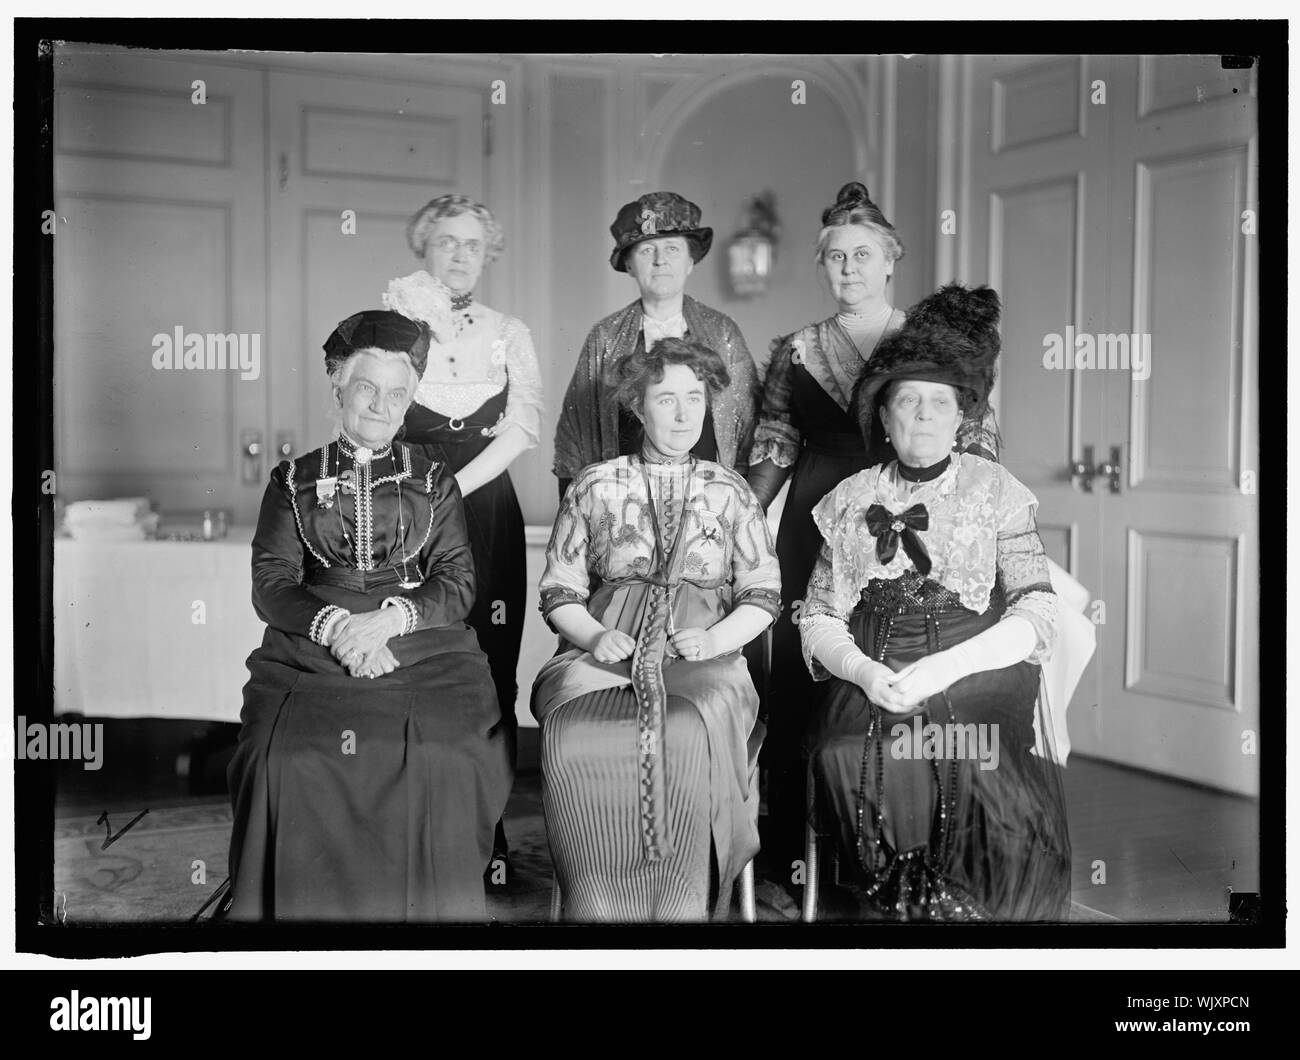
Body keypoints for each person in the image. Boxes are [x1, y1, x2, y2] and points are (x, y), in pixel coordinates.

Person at [225, 309, 512, 921]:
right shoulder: (292, 479)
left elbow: (459, 583)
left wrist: (386, 622)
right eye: (366, 387)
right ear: (338, 385)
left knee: (447, 755)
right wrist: (336, 628)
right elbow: (271, 583)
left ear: (411, 401)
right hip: (310, 648)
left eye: (397, 393)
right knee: (281, 758)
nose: (380, 405)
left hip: (421, 644)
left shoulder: (436, 481)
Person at [799, 283, 1070, 920]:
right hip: (875, 664)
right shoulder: (847, 497)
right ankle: (895, 904)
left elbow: (1038, 610)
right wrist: (867, 673)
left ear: (959, 417)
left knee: (970, 755)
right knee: (844, 751)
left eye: (938, 404)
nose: (922, 416)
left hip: (977, 669)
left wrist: (947, 667)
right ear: (885, 418)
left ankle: (964, 914)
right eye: (908, 402)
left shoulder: (995, 489)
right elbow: (817, 616)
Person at [533, 337, 781, 921]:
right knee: (573, 732)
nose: (682, 413)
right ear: (638, 408)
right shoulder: (595, 484)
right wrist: (593, 637)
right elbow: (558, 590)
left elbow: (763, 593)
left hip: (706, 652)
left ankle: (682, 908)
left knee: (686, 730)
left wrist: (718, 641)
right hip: (604, 644)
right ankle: (596, 907)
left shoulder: (731, 490)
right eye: (665, 399)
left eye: (693, 398)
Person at [388, 194, 543, 863]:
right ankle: (416, 824)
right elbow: (372, 417)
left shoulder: (509, 329)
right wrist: (419, 498)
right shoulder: (389, 323)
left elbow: (523, 426)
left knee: (490, 665)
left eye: (472, 245)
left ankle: (487, 829)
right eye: (446, 241)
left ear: (488, 255)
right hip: (403, 506)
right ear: (423, 246)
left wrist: (452, 490)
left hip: (484, 510)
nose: (459, 255)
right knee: (412, 659)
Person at [552, 191, 759, 498]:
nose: (661, 261)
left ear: (691, 261)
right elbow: (576, 434)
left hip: (704, 497)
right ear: (630, 265)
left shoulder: (722, 332)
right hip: (624, 500)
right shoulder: (605, 336)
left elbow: (745, 425)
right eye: (647, 250)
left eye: (672, 249)